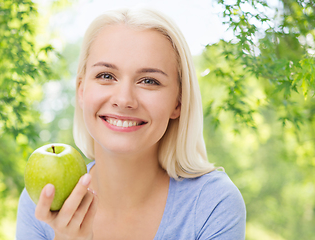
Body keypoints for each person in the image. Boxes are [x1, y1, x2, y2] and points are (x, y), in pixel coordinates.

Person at [16, 8, 246, 240]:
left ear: (178, 102)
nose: (124, 99)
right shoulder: (43, 200)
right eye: (106, 76)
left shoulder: (212, 204)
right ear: (81, 91)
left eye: (149, 81)